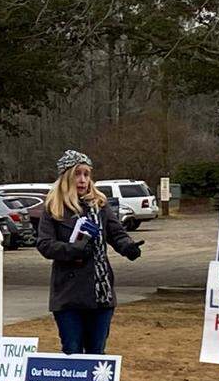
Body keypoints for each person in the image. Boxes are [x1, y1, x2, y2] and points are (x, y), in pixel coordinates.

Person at [36, 150, 142, 355]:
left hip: (100, 293)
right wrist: (71, 250)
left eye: (86, 174)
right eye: (77, 174)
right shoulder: (53, 209)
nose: (83, 180)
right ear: (66, 177)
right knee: (72, 350)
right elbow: (45, 244)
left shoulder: (100, 205)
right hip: (68, 294)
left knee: (96, 351)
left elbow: (116, 233)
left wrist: (128, 246)